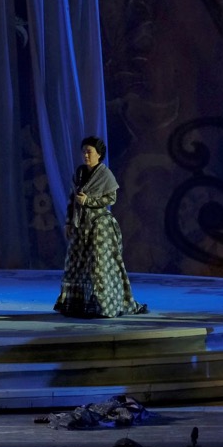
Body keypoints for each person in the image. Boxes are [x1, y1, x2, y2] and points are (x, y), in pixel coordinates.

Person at [53, 136, 147, 318]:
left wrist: (89, 201)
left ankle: (105, 305)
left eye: (89, 152)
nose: (86, 155)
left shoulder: (105, 175)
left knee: (99, 264)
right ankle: (78, 304)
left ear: (99, 154)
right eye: (84, 152)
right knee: (76, 263)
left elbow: (111, 198)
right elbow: (72, 199)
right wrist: (68, 222)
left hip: (99, 225)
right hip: (80, 224)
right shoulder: (79, 173)